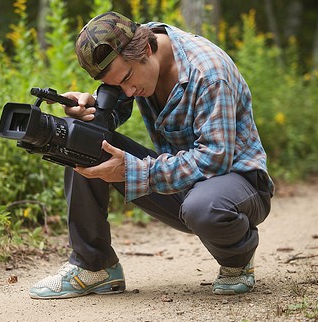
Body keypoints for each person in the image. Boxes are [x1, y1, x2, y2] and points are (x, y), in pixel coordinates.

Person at [29, 11, 274, 299]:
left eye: (129, 79)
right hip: (180, 184)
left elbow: (213, 160)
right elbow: (117, 106)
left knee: (203, 207)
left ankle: (237, 260)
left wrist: (134, 171)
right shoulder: (130, 48)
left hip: (236, 187)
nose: (128, 92)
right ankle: (95, 267)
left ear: (146, 48)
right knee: (83, 141)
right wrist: (90, 107)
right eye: (117, 85)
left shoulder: (209, 73)